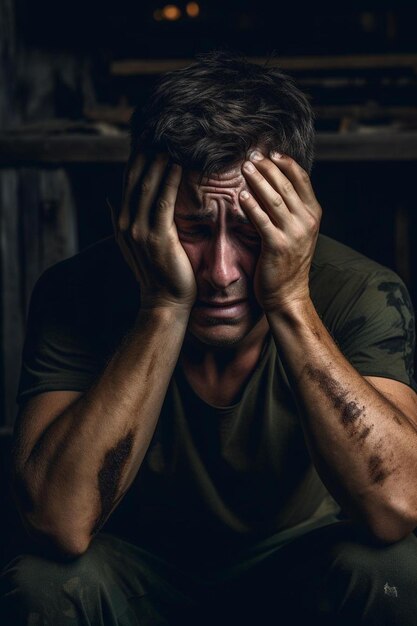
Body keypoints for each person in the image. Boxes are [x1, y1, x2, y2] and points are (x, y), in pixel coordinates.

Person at [2, 50, 417, 625]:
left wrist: (290, 300)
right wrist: (163, 306)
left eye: (252, 233)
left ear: (298, 214)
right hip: (143, 570)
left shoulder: (364, 291)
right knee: (43, 584)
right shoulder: (75, 292)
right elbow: (56, 521)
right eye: (192, 229)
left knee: (396, 574)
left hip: (299, 568)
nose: (221, 272)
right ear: (141, 215)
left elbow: (395, 510)